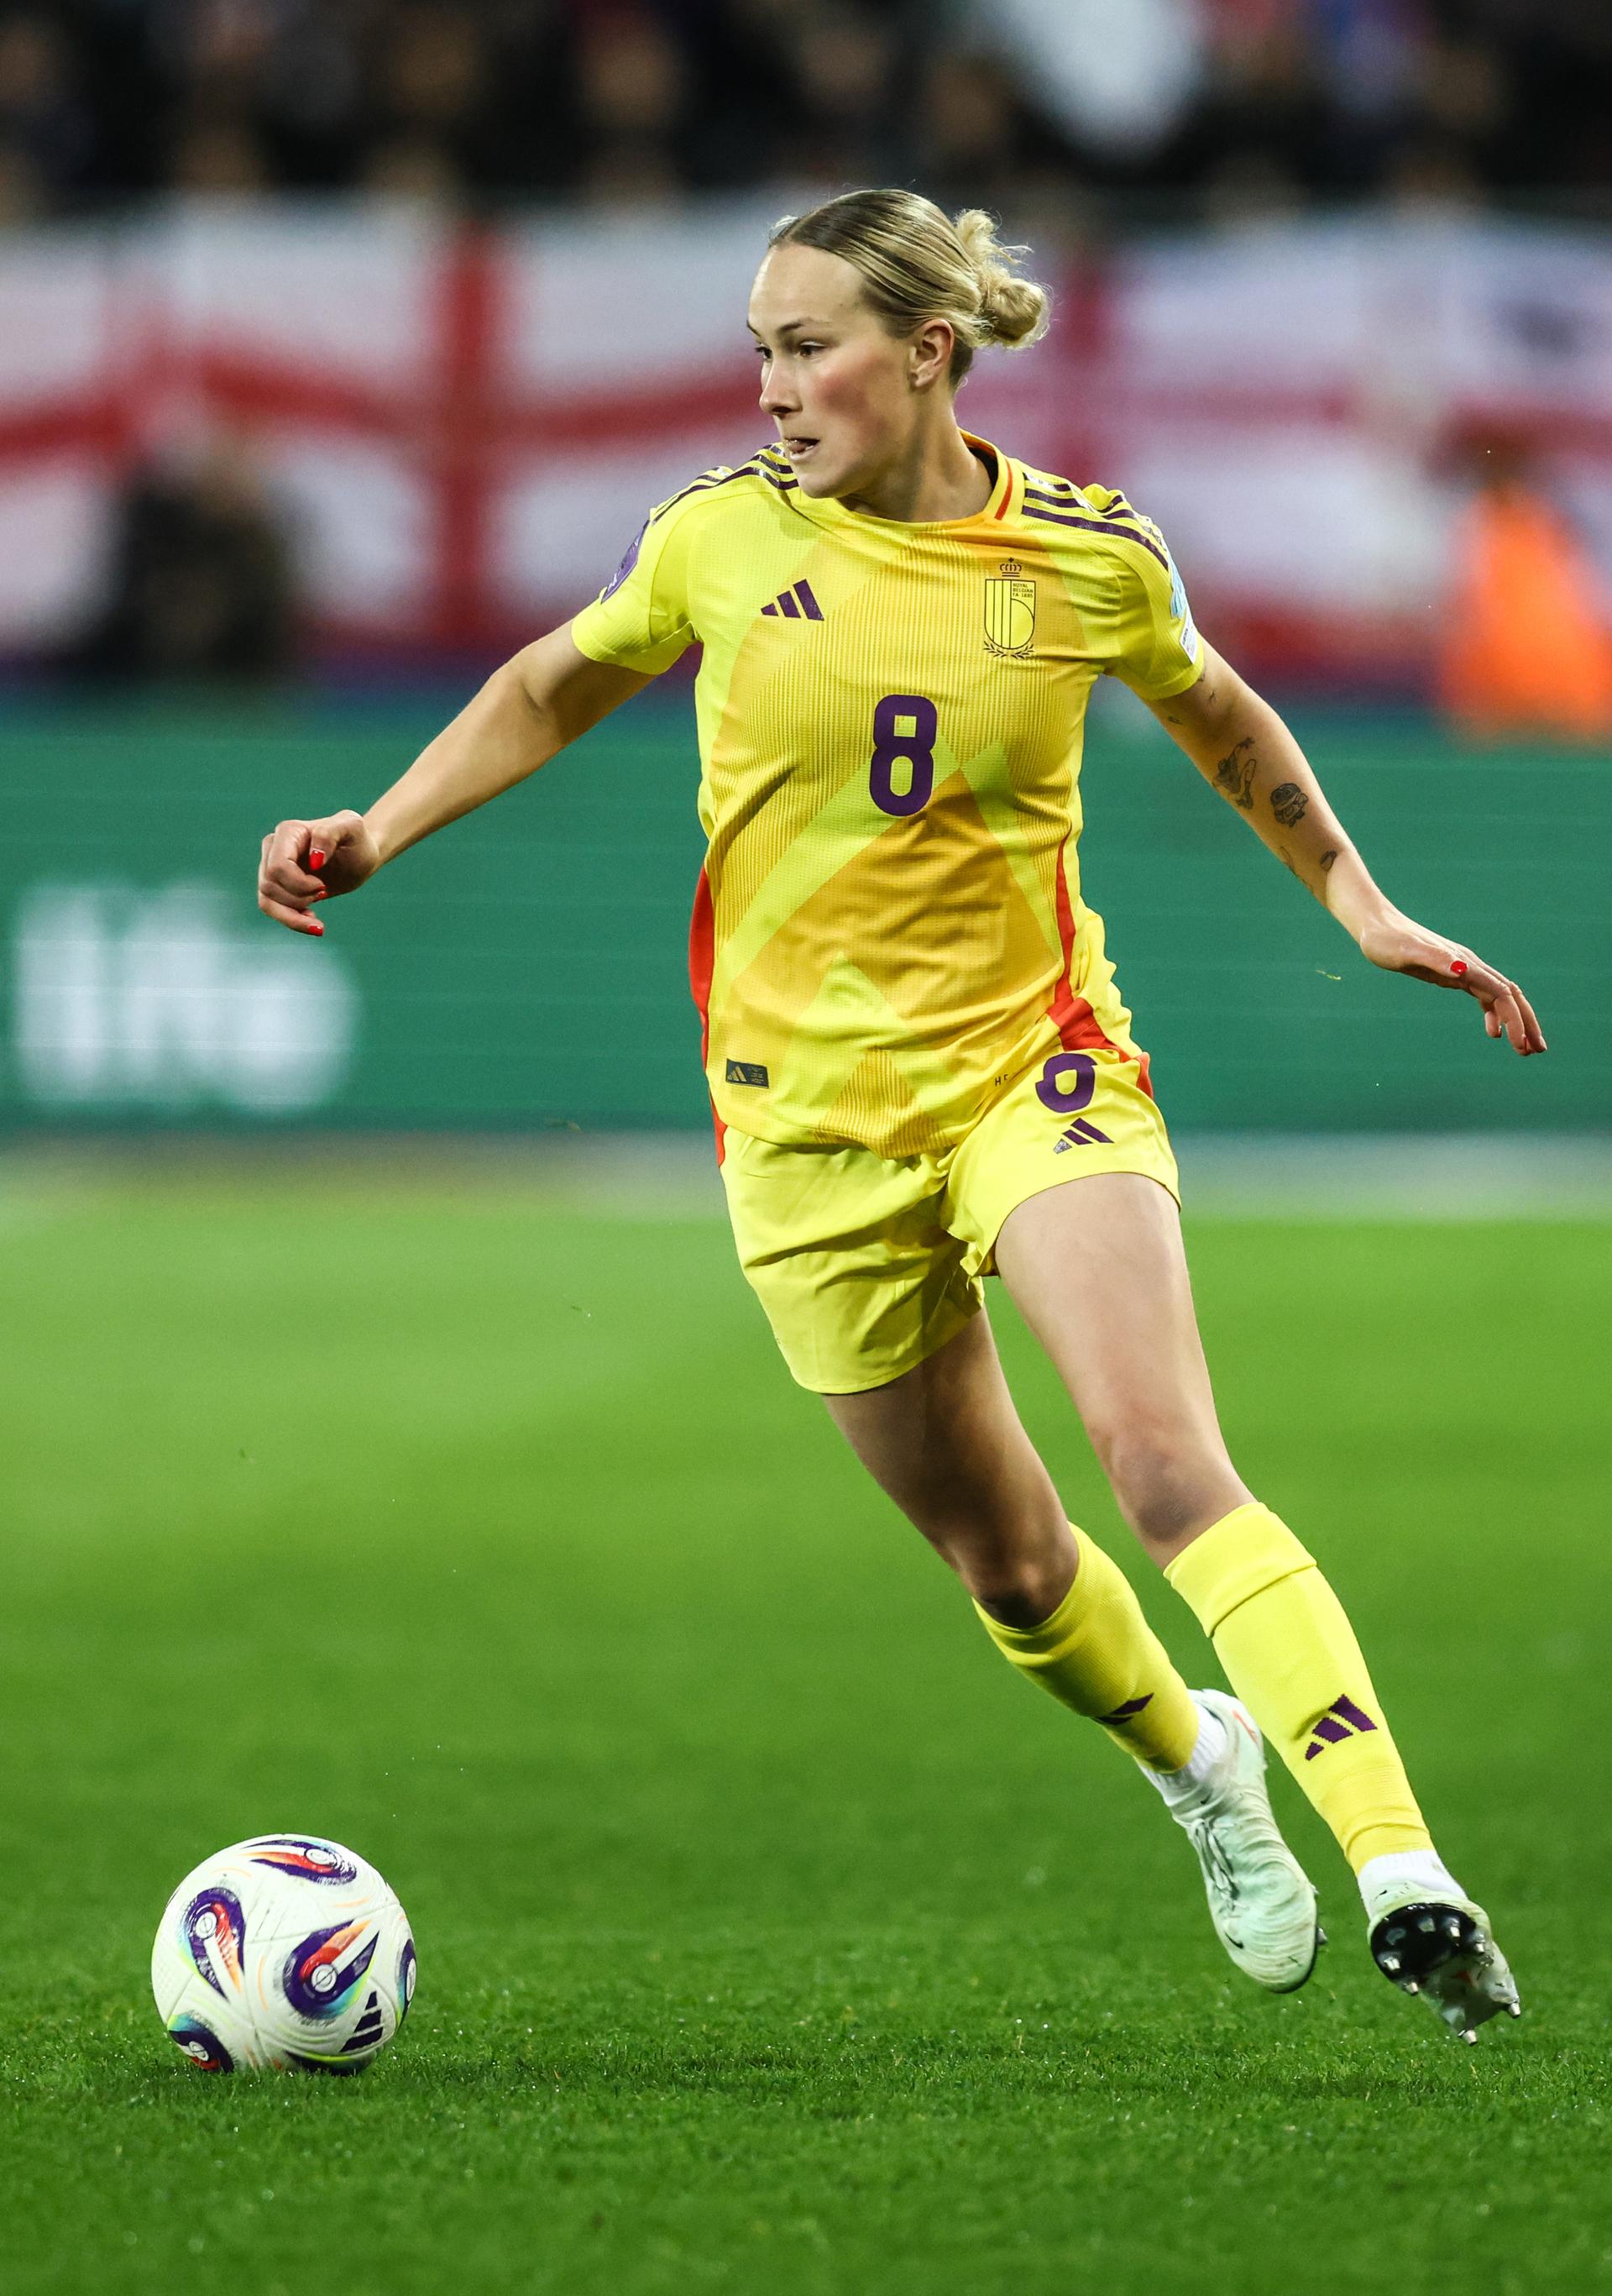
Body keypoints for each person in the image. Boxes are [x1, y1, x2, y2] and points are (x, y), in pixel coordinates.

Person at [258, 188, 1544, 2041]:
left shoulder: (1092, 558)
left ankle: (1400, 1862)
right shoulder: (713, 543)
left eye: (809, 346)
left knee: (1166, 1463)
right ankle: (1202, 1768)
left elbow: (1226, 715)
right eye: (760, 349)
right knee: (1009, 1561)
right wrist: (376, 824)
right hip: (802, 1128)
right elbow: (555, 680)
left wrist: (1359, 900)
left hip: (1037, 1064)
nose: (773, 386)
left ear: (927, 355)